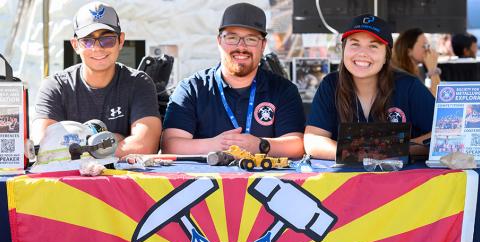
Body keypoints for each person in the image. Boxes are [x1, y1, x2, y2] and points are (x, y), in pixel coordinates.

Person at [161, 3, 305, 158]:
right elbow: (170, 145)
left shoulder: (283, 89)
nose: (241, 46)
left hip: (268, 181)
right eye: (232, 38)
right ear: (219, 41)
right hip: (204, 181)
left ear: (263, 45)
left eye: (251, 39)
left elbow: (297, 145)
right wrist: (217, 144)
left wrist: (259, 145)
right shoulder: (191, 88)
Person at [33, 1, 161, 157]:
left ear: (121, 41)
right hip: (68, 180)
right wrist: (113, 140)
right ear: (75, 45)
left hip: (122, 180)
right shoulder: (55, 86)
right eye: (87, 41)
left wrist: (77, 148)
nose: (97, 48)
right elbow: (45, 147)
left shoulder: (139, 82)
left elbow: (145, 145)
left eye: (107, 40)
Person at [304, 14, 434, 160]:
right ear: (344, 49)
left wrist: (393, 149)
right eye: (355, 44)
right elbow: (313, 141)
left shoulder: (409, 86)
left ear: (386, 55)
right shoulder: (330, 84)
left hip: (403, 180)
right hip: (344, 181)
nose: (362, 53)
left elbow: (442, 134)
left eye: (373, 46)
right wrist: (365, 152)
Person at [392, 28, 441, 96]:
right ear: (409, 51)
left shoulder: (417, 71)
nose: (428, 50)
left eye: (428, 46)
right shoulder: (402, 77)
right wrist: (433, 68)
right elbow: (437, 98)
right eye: (424, 46)